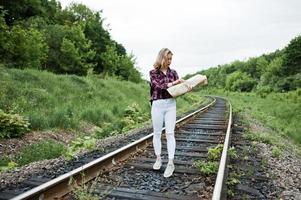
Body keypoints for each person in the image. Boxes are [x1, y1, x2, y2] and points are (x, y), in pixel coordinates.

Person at [149, 48, 191, 178]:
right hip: (157, 104)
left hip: (170, 105)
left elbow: (176, 90)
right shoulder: (153, 73)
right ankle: (158, 158)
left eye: (171, 59)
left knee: (170, 133)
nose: (170, 61)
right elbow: (160, 86)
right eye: (168, 59)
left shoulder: (174, 72)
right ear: (162, 58)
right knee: (157, 133)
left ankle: (171, 163)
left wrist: (186, 87)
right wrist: (176, 82)